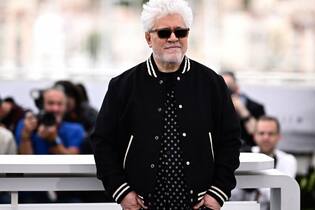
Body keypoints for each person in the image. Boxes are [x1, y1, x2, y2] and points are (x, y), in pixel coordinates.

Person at [90, 0, 241, 209]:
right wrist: (122, 192)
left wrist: (218, 193)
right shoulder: (122, 86)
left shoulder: (212, 83)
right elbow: (102, 142)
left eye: (181, 32)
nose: (173, 38)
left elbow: (230, 141)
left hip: (199, 205)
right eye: (164, 33)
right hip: (142, 204)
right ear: (148, 38)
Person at [231, 116, 297, 210]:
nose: (266, 138)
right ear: (254, 136)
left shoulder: (287, 160)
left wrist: (252, 181)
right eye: (261, 133)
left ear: (279, 136)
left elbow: (284, 195)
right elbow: (232, 195)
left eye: (271, 134)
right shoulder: (244, 155)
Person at [15, 88, 84, 155]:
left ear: (65, 107)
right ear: (42, 105)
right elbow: (26, 161)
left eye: (59, 104)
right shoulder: (26, 125)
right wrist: (26, 135)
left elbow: (73, 162)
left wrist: (54, 140)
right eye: (50, 103)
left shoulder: (75, 129)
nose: (55, 109)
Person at [222, 71, 265, 150]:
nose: (226, 92)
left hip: (249, 150)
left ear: (237, 88)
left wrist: (242, 110)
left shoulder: (256, 107)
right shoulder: (214, 107)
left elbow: (256, 133)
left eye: (229, 87)